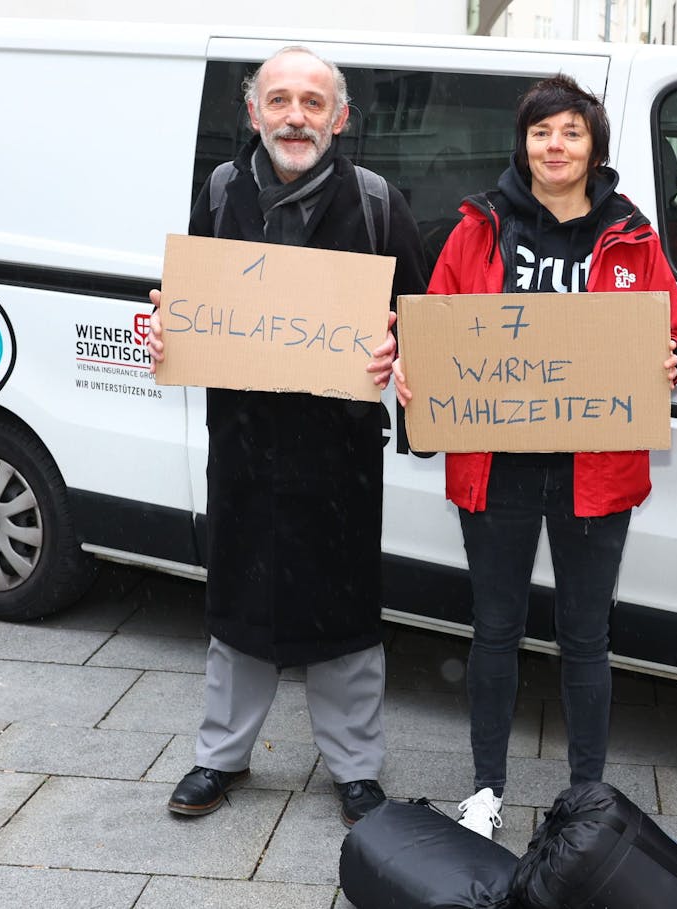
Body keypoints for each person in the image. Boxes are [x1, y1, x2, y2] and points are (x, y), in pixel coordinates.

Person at [394, 74, 677, 840]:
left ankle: (585, 799)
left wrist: (668, 362)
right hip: (498, 465)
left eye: (570, 131)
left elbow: (673, 336)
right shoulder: (477, 230)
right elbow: (438, 331)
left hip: (597, 468)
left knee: (586, 636)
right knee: (494, 629)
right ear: (522, 143)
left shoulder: (632, 236)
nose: (554, 146)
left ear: (594, 145)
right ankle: (487, 791)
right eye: (540, 132)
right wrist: (413, 367)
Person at [146, 46, 427, 828]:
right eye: (279, 101)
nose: (295, 116)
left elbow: (425, 325)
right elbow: (191, 309)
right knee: (236, 599)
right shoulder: (222, 189)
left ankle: (357, 771)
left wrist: (398, 352)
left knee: (344, 613)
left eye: (312, 102)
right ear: (253, 113)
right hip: (242, 441)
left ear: (339, 118)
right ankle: (221, 756)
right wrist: (168, 332)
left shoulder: (377, 204)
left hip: (337, 453)